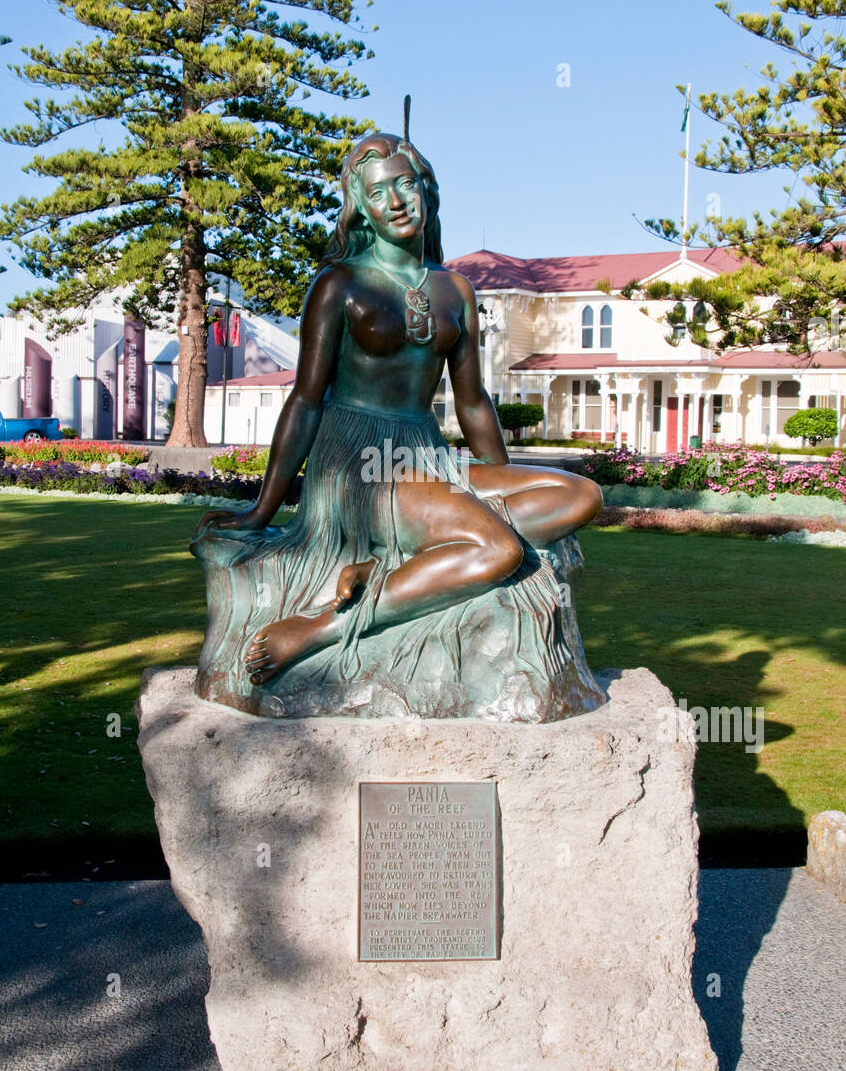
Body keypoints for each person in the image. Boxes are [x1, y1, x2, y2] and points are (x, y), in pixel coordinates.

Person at [197, 131, 603, 687]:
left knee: (579, 494)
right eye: (378, 191)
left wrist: (500, 476)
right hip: (357, 465)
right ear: (360, 207)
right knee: (499, 547)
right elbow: (306, 399)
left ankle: (395, 566)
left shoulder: (454, 288)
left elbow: (474, 401)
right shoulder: (339, 284)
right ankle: (321, 626)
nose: (395, 201)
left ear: (426, 190)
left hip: (426, 459)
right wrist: (261, 511)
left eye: (405, 184)